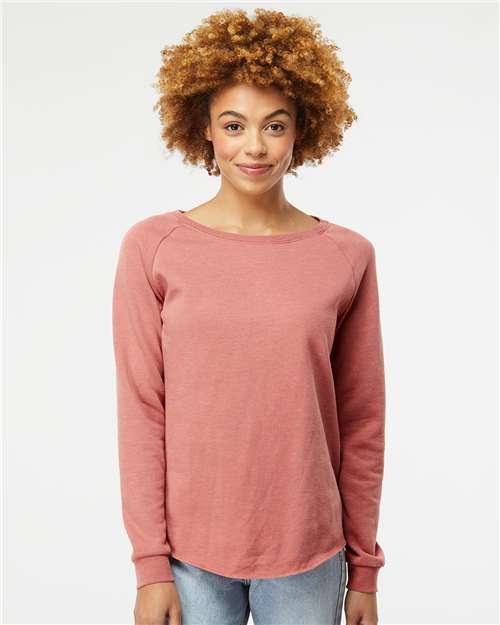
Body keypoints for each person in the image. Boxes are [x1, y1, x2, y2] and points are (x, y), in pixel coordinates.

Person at [112, 8, 386, 625]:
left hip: (310, 552)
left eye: (275, 125)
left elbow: (363, 420)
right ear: (204, 130)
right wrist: (150, 566)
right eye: (233, 125)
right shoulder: (153, 248)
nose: (255, 146)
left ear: (302, 130)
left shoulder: (346, 256)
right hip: (188, 556)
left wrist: (364, 569)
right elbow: (142, 410)